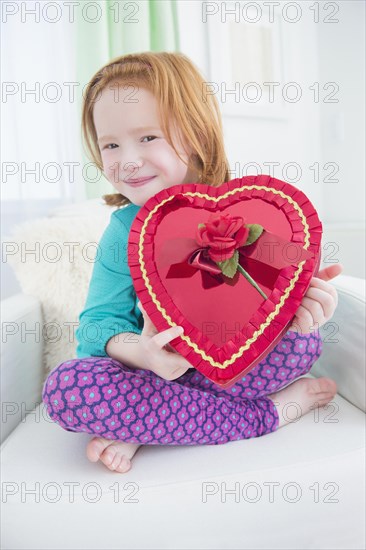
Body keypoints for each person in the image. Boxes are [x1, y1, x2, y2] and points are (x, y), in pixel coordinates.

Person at [42, 52, 341, 474]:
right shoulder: (123, 230)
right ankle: (271, 413)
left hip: (240, 364)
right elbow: (97, 327)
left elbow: (293, 280)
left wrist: (308, 306)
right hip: (161, 372)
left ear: (197, 133)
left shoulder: (251, 209)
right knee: (68, 389)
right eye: (111, 144)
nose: (126, 160)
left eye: (147, 138)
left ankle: (146, 425)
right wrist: (146, 356)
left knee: (303, 343)